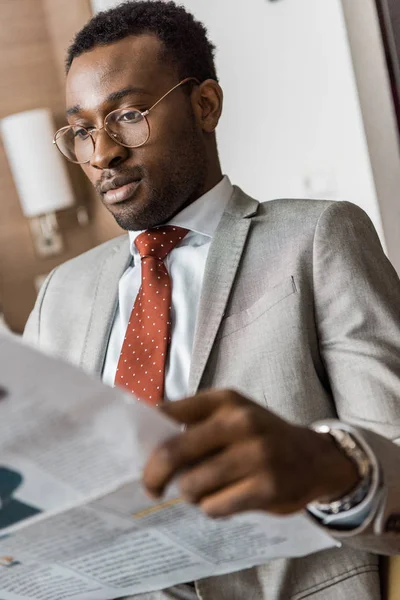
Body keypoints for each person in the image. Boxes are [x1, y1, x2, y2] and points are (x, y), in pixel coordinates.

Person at [23, 2, 400, 598]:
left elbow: (395, 457)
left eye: (127, 115)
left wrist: (323, 461)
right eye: (84, 130)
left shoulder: (319, 238)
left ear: (205, 106)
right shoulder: (61, 295)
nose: (102, 155)